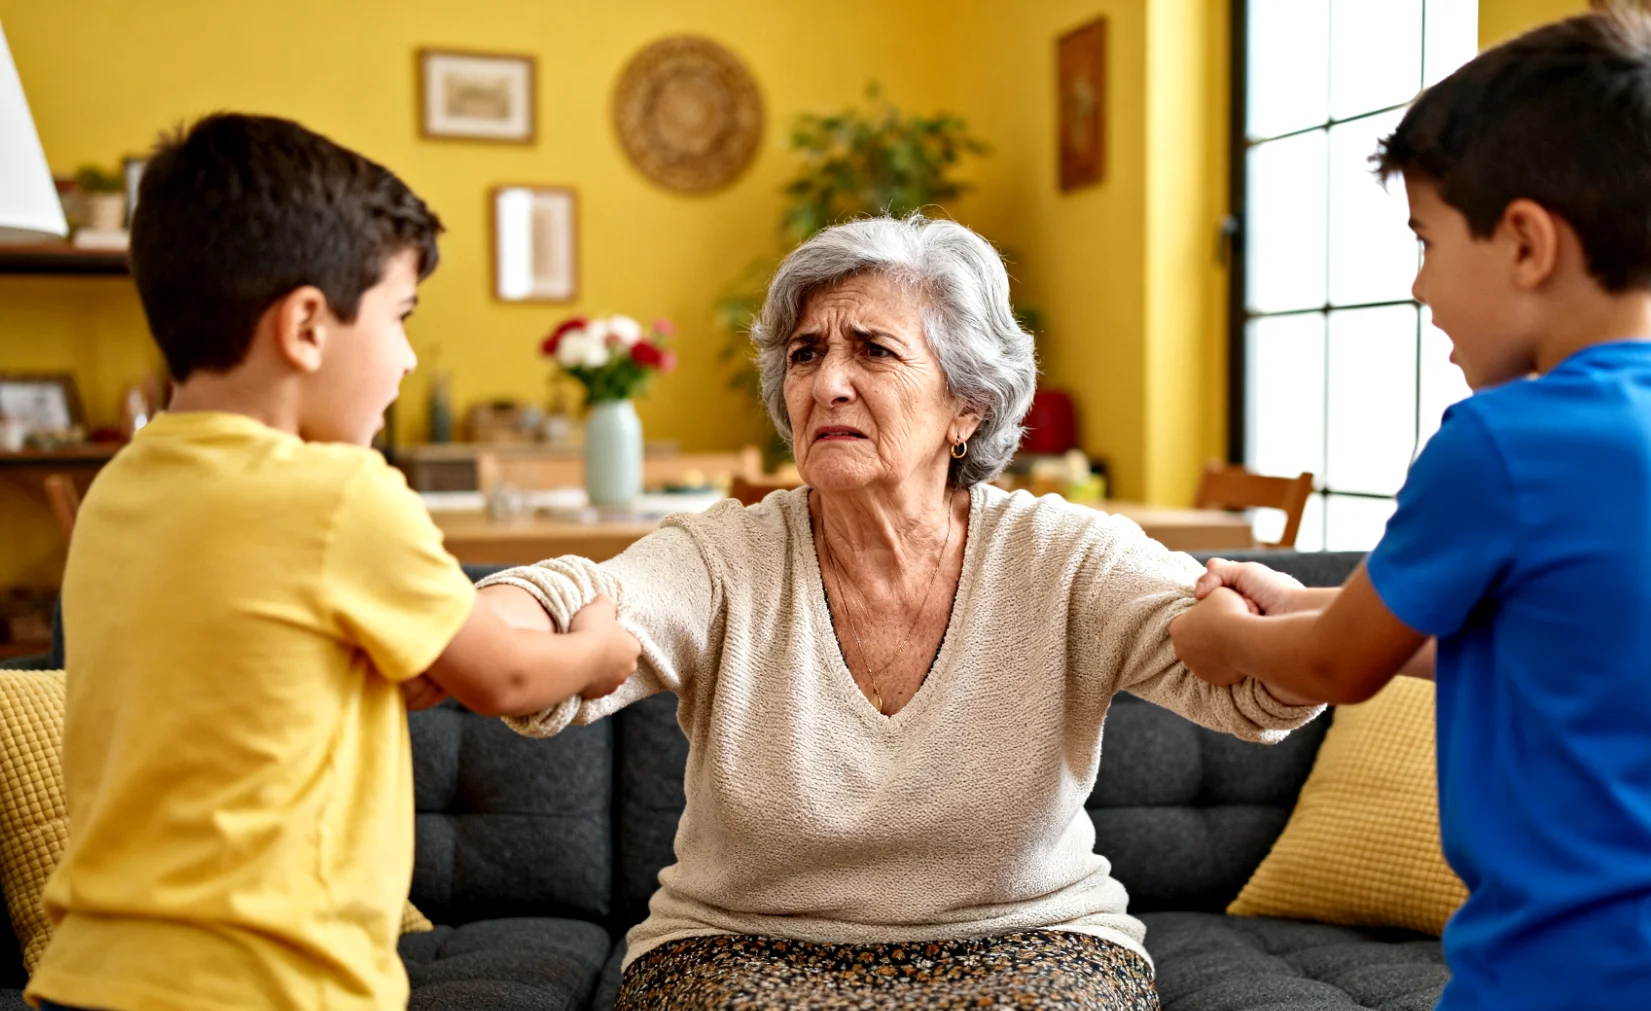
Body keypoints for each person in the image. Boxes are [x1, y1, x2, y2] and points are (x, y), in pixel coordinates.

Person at [474, 213, 1324, 1011]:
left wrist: (1274, 627)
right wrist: (490, 620)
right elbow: (576, 602)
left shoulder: (1061, 554)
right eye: (805, 354)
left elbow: (1247, 689)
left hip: (1030, 938)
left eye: (873, 351)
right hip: (744, 942)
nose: (827, 382)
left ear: (968, 406)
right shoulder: (724, 556)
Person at [1174, 13, 1651, 1010]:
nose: (1419, 288)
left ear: (1524, 241)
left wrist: (1228, 643)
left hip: (1569, 974)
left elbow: (1343, 665)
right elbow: (1531, 645)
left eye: (1425, 243)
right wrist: (1297, 600)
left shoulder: (1501, 442)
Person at [27, 114, 640, 1011]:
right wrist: (600, 643)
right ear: (307, 325)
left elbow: (228, 672)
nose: (407, 357)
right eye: (399, 318)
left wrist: (371, 677)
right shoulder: (341, 493)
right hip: (273, 986)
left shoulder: (119, 491)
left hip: (93, 979)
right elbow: (506, 676)